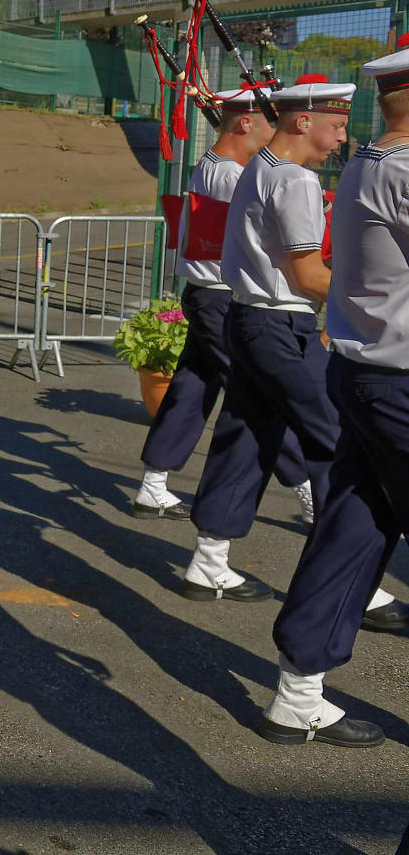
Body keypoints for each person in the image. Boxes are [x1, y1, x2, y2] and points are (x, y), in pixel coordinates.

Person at [179, 77, 400, 620]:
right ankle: (356, 585)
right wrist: (367, 303)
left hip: (251, 318)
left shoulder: (260, 167)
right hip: (281, 325)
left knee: (247, 435)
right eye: (338, 124)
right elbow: (306, 274)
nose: (343, 137)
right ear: (305, 122)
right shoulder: (296, 180)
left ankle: (209, 559)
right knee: (336, 443)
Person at [259, 44, 409, 747]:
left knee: (356, 525)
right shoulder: (402, 170)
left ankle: (298, 689)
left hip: (369, 375)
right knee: (355, 519)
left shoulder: (368, 165)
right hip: (398, 383)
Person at [132, 91, 315, 523]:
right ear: (245, 124)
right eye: (268, 121)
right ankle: (309, 491)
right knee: (264, 396)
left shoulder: (209, 165)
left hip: (203, 292)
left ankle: (153, 483)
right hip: (220, 296)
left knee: (192, 387)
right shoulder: (235, 175)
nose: (275, 131)